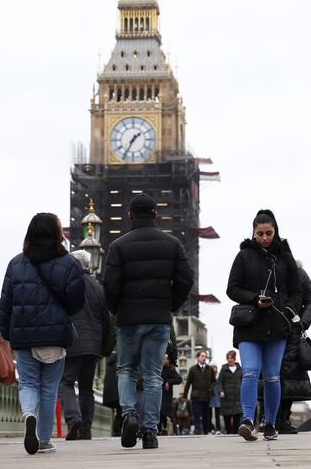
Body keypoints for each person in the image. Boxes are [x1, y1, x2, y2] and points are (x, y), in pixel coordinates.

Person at [103, 193, 194, 450]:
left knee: (126, 370)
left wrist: (116, 309)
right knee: (154, 375)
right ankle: (150, 431)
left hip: (128, 318)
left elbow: (109, 284)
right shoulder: (173, 244)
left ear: (129, 215)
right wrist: (170, 305)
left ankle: (129, 414)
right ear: (155, 214)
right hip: (158, 319)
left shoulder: (118, 246)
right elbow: (186, 279)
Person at [0, 213, 85, 455]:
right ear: (56, 233)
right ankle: (44, 439)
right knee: (49, 388)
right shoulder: (70, 264)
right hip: (56, 335)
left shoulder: (16, 264)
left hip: (24, 336)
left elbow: (6, 303)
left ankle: (29, 415)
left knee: (28, 383)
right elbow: (76, 301)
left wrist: (7, 332)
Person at [226, 209, 302, 442]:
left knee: (271, 376)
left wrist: (289, 310)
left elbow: (297, 290)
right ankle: (248, 420)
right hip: (250, 324)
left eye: (269, 232)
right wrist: (254, 298)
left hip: (278, 324)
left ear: (275, 230)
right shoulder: (243, 256)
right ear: (253, 233)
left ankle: (270, 423)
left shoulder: (285, 256)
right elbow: (232, 289)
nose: (265, 237)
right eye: (260, 233)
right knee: (249, 371)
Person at [59, 250, 110, 441]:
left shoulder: (68, 285)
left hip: (72, 342)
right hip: (93, 346)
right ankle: (86, 430)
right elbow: (107, 321)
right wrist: (103, 348)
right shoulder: (99, 288)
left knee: (66, 382)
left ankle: (73, 419)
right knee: (87, 388)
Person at [275, 261, 311, 434]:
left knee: (289, 375)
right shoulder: (264, 270)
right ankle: (269, 417)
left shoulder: (300, 274)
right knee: (270, 373)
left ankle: (282, 418)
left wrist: (303, 322)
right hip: (268, 328)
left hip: (292, 330)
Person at [182, 350, 217, 435]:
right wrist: (184, 396)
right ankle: (197, 430)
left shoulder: (210, 369)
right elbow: (188, 383)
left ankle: (206, 431)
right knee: (196, 414)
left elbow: (214, 381)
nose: (204, 358)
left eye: (205, 356)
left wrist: (211, 389)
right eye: (202, 356)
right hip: (196, 396)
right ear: (198, 357)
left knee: (206, 414)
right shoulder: (193, 369)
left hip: (206, 396)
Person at [218, 350, 243, 434]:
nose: (229, 360)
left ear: (235, 358)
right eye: (228, 358)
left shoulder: (240, 369)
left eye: (231, 358)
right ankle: (228, 433)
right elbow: (220, 382)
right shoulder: (224, 369)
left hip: (237, 398)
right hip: (226, 398)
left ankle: (235, 434)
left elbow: (243, 382)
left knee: (237, 419)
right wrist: (221, 391)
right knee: (227, 419)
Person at [159, 354, 182, 435]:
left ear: (168, 360)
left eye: (165, 359)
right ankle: (160, 430)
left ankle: (173, 430)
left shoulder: (170, 370)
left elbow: (179, 379)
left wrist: (169, 382)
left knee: (165, 413)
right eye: (162, 359)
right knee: (159, 413)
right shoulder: (157, 369)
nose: (163, 361)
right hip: (157, 395)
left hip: (166, 396)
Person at [210, 364, 222, 433]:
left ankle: (218, 429)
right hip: (210, 398)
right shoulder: (208, 378)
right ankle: (210, 429)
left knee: (217, 416)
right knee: (210, 415)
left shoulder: (218, 378)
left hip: (217, 398)